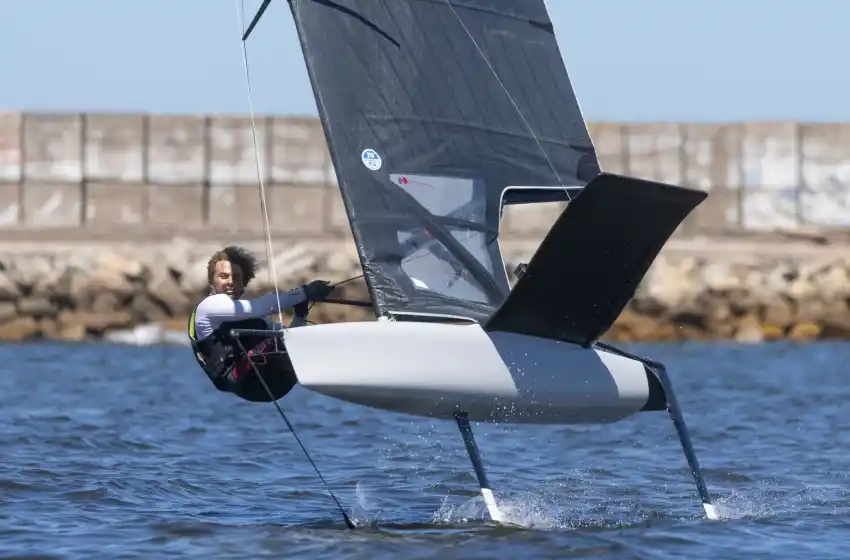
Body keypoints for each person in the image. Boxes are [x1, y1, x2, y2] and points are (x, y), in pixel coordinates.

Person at [187, 245, 335, 402]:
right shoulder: (207, 307)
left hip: (278, 383)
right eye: (223, 276)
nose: (230, 282)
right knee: (279, 337)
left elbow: (291, 339)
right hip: (243, 381)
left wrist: (300, 315)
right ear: (212, 281)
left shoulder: (257, 320)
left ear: (244, 283)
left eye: (236, 278)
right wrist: (303, 293)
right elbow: (255, 308)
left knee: (289, 337)